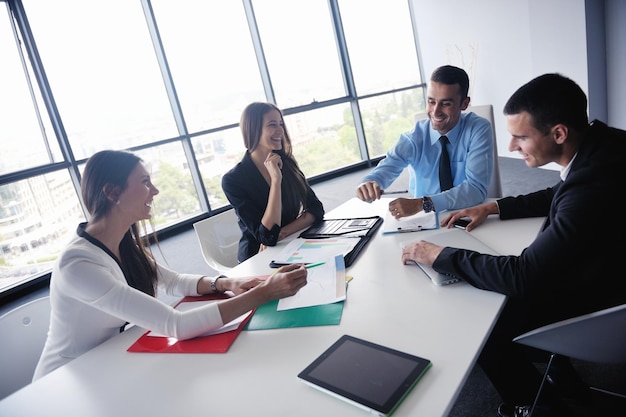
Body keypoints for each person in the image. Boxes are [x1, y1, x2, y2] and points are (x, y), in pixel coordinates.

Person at [401, 73, 626, 417]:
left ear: (559, 133)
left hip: (605, 304)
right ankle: (559, 372)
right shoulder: (604, 144)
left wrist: (439, 255)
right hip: (611, 268)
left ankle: (540, 406)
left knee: (485, 321)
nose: (511, 147)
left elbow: (524, 276)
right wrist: (495, 206)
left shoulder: (590, 186)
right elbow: (559, 195)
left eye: (521, 136)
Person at [33, 150, 308, 380]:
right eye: (144, 182)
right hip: (66, 380)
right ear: (112, 192)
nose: (155, 191)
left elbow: (174, 281)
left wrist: (226, 283)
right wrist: (263, 294)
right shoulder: (78, 264)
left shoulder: (122, 241)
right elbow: (174, 324)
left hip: (110, 361)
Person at [356, 65, 494, 218]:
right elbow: (388, 166)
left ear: (464, 104)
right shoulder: (414, 137)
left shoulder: (478, 129)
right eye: (431, 102)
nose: (435, 111)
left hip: (468, 214)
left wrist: (422, 203)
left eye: (446, 103)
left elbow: (475, 189)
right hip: (424, 219)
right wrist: (369, 183)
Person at [222, 102, 325, 262]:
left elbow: (316, 209)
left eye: (281, 124)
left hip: (290, 243)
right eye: (272, 125)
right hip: (257, 257)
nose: (280, 131)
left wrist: (283, 232)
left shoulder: (286, 163)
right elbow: (267, 236)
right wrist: (276, 181)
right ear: (253, 129)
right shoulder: (233, 180)